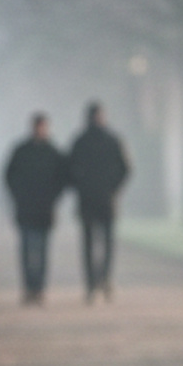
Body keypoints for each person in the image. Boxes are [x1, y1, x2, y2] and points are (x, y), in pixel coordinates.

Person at [68, 101, 130, 303]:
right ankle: (95, 281)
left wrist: (112, 187)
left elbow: (124, 169)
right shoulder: (108, 140)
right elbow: (69, 170)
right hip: (99, 199)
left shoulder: (87, 141)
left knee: (101, 243)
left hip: (98, 198)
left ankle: (100, 279)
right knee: (96, 243)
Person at [3, 113, 67, 305]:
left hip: (45, 210)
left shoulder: (54, 152)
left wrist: (53, 198)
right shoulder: (21, 151)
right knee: (25, 250)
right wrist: (18, 196)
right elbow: (8, 176)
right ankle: (28, 287)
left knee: (42, 250)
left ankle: (39, 288)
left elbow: (63, 179)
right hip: (25, 209)